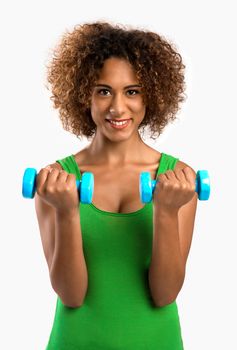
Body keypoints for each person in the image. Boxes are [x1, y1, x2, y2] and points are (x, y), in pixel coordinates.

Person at [35, 21, 198, 350]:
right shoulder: (55, 181)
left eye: (132, 91)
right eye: (103, 90)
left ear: (150, 95)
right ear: (85, 95)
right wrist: (67, 212)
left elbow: (164, 294)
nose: (117, 107)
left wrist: (166, 211)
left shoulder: (178, 178)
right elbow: (71, 294)